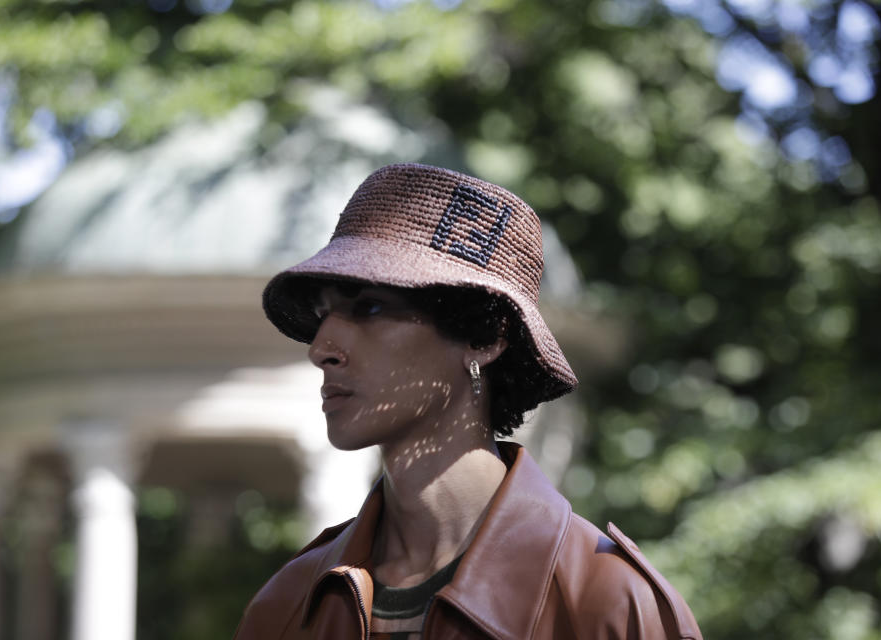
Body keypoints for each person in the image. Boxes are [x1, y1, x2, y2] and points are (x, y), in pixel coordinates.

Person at [234, 163, 702, 639]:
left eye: (370, 306)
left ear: (484, 336)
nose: (321, 349)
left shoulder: (610, 603)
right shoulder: (287, 605)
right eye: (322, 314)